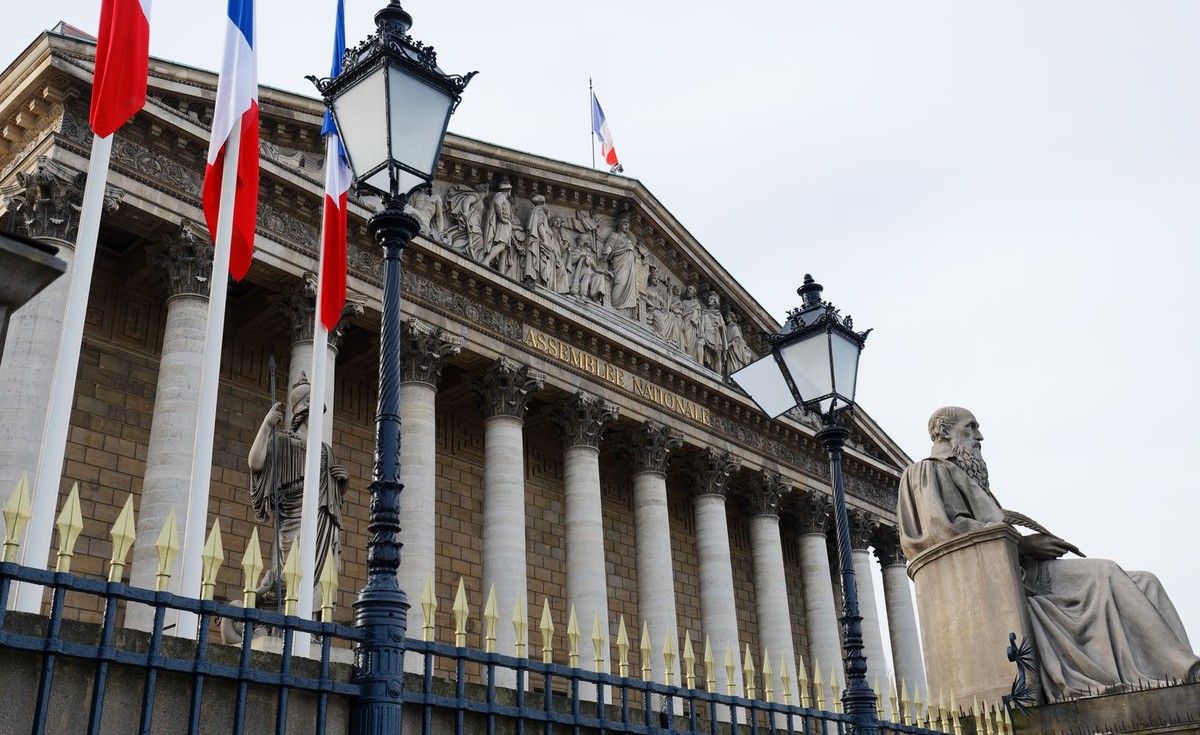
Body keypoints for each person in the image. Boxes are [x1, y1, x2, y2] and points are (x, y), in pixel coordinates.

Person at [897, 406, 1199, 700]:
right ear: (944, 431)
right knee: (1105, 572)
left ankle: (1180, 679)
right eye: (971, 426)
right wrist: (1025, 545)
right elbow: (944, 532)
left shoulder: (962, 474)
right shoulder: (925, 472)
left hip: (1022, 566)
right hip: (1008, 580)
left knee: (1146, 582)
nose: (980, 436)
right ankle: (1184, 669)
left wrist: (1030, 545)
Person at [247, 374, 348, 612]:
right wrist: (266, 425)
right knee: (293, 571)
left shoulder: (325, 451)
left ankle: (308, 627)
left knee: (321, 571)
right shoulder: (282, 440)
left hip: (322, 517)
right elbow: (255, 463)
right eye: (314, 410)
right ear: (303, 412)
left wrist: (343, 482)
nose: (318, 416)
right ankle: (271, 606)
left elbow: (334, 496)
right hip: (294, 513)